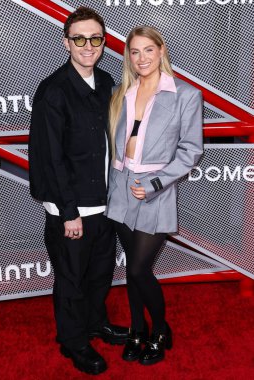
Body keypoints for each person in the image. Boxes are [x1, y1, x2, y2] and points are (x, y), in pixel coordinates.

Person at [29, 7, 128, 376]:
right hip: (71, 210)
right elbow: (50, 157)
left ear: (103, 42)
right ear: (66, 42)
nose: (89, 46)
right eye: (80, 39)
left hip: (105, 203)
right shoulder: (53, 91)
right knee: (71, 280)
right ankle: (73, 341)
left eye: (96, 39)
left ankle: (95, 323)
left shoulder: (104, 83)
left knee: (100, 272)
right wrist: (68, 212)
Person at [106, 26, 203, 365]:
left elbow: (191, 151)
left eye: (148, 50)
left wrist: (155, 184)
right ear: (128, 56)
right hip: (120, 189)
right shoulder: (122, 92)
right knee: (134, 266)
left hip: (155, 191)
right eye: (135, 51)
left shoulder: (185, 94)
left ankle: (160, 329)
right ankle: (136, 329)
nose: (141, 58)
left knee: (137, 270)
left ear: (161, 51)